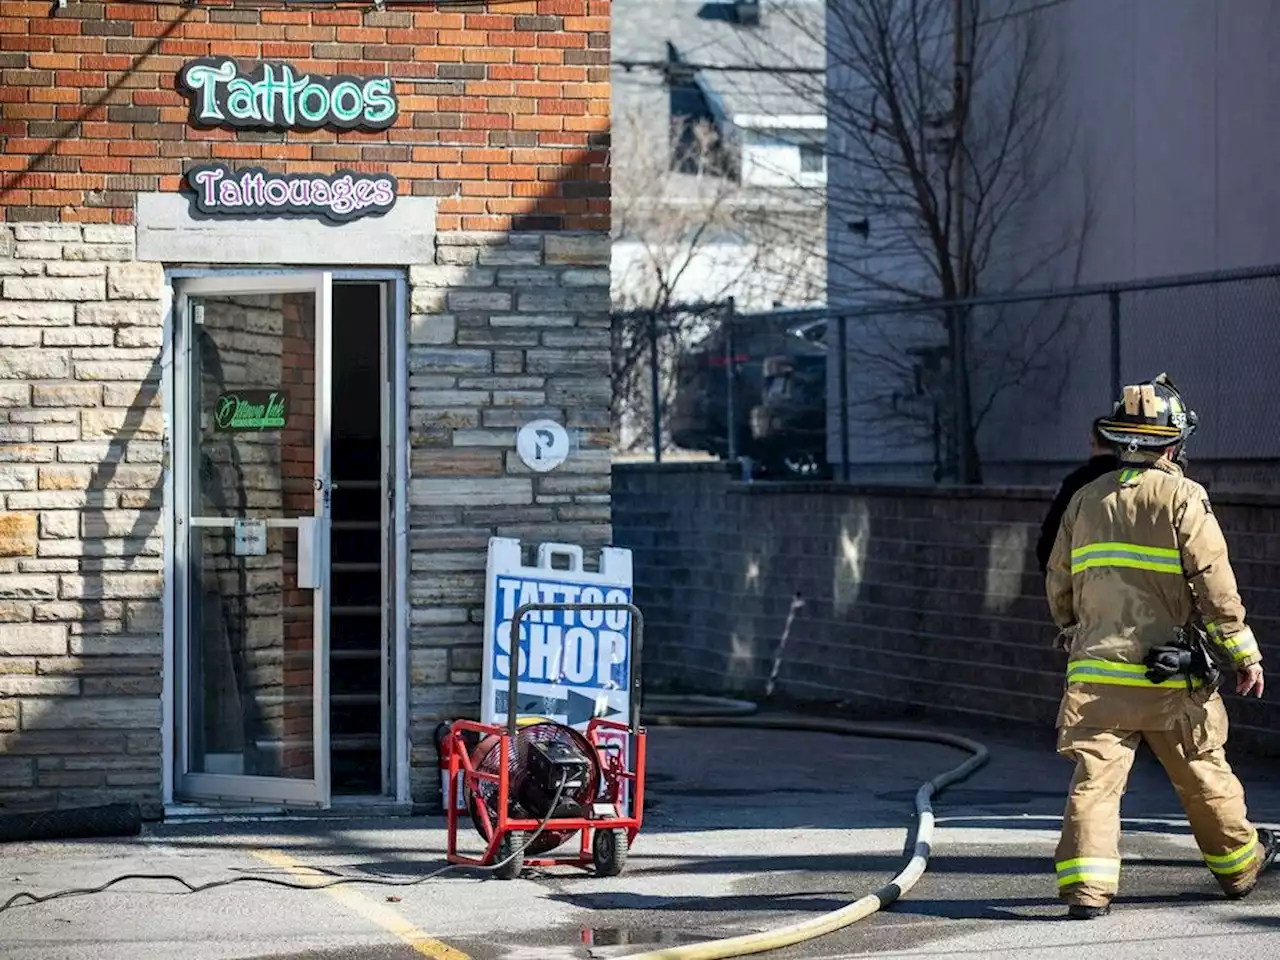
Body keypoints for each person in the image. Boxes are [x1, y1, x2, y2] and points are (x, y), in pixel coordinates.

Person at [1044, 372, 1275, 920]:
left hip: (1097, 674)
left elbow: (1060, 582)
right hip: (1169, 673)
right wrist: (1243, 653)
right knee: (1201, 771)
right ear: (1173, 442)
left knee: (1095, 782)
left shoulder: (1084, 500)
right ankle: (1241, 868)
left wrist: (1078, 633)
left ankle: (1087, 891)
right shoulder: (1183, 497)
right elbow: (1214, 581)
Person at [1036, 419, 1120, 574]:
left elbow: (1051, 534)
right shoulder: (1131, 482)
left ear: (1091, 439)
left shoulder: (1075, 483)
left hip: (1080, 580)